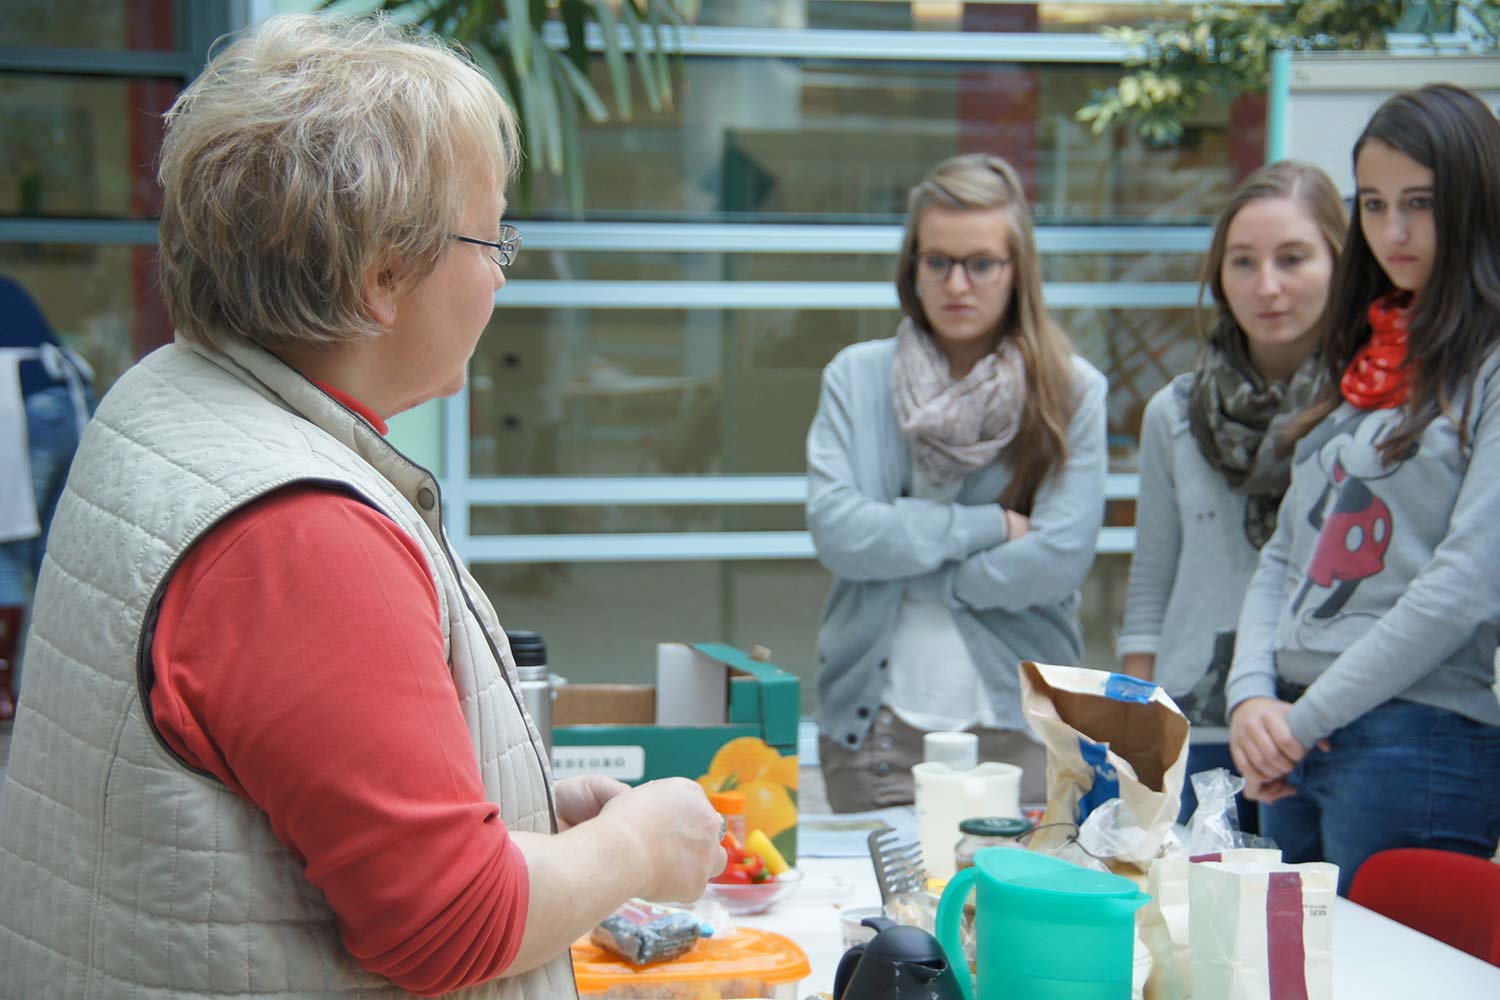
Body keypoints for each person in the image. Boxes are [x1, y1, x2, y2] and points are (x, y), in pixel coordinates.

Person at [0, 15, 724, 998]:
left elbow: (260, 808)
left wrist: (515, 807)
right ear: (384, 272)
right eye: (493, 234)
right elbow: (447, 926)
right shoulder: (298, 530)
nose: (503, 269)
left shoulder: (169, 396)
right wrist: (638, 847)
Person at [1226, 84, 1500, 896]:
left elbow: (1464, 584)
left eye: (1421, 203)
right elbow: (1283, 553)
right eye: (1374, 205)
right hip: (1299, 738)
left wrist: (1295, 726)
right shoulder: (1369, 361)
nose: (1394, 232)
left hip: (1415, 741)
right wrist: (1251, 703)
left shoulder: (1488, 364)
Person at [807, 153, 1107, 811]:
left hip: (1023, 730)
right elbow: (837, 530)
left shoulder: (1071, 391)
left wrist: (903, 559)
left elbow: (1058, 559)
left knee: (1012, 911)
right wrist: (988, 527)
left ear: (1017, 270)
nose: (957, 283)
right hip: (874, 729)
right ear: (912, 266)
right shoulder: (856, 379)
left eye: (981, 263)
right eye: (937, 260)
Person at [1119, 161, 1346, 827]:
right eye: (1243, 262)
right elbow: (1151, 584)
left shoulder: (1368, 412)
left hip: (1324, 725)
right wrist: (1135, 730)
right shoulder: (1175, 410)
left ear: (1340, 263)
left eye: (1293, 258)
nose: (1267, 286)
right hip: (1195, 731)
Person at [0, 274, 95, 720]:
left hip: (16, 411)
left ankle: (3, 690)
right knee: (51, 556)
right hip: (64, 405)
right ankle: (67, 688)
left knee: (6, 549)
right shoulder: (10, 287)